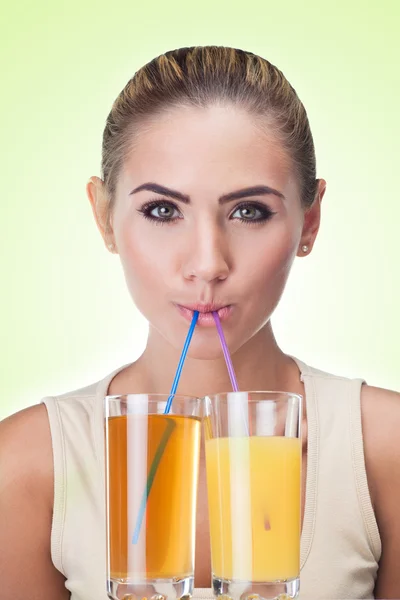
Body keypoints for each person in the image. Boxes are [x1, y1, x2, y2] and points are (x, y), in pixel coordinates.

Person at [0, 45, 399, 600]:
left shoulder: (385, 447)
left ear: (310, 222)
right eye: (163, 210)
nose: (209, 263)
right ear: (104, 217)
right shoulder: (25, 467)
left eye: (249, 211)